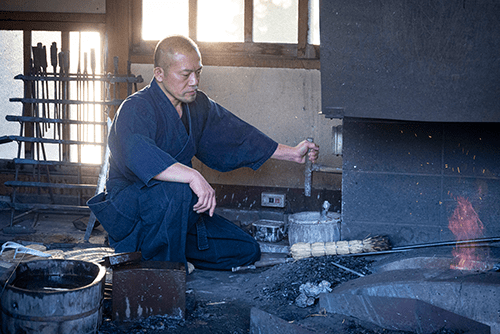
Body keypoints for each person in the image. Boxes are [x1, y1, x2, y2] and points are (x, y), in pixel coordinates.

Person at [88, 35, 319, 271]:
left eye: (198, 72)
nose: (194, 81)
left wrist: (291, 153)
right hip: (135, 213)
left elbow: (237, 136)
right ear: (159, 74)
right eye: (185, 74)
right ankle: (159, 271)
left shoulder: (197, 105)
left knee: (245, 249)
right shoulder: (135, 108)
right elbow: (139, 155)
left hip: (179, 215)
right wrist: (193, 176)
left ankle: (169, 252)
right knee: (175, 189)